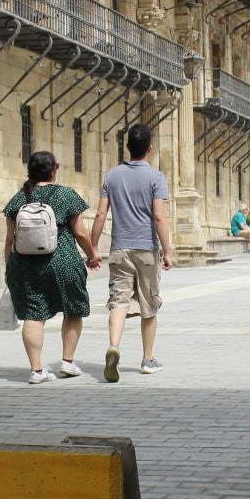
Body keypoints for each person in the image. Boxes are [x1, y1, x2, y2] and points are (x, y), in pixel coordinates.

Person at [2, 150, 100, 384]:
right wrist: (92, 255)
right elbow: (80, 232)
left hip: (25, 265)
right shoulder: (66, 195)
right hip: (63, 261)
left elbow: (9, 240)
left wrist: (9, 268)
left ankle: (37, 371)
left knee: (33, 315)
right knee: (73, 309)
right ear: (53, 170)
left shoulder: (18, 198)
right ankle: (67, 362)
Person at [90, 122, 173, 381]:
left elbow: (101, 213)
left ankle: (114, 346)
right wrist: (167, 251)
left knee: (119, 301)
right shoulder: (156, 178)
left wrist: (93, 248)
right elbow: (159, 217)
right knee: (149, 305)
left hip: (119, 249)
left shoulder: (112, 176)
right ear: (150, 148)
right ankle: (147, 359)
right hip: (146, 250)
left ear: (127, 147)